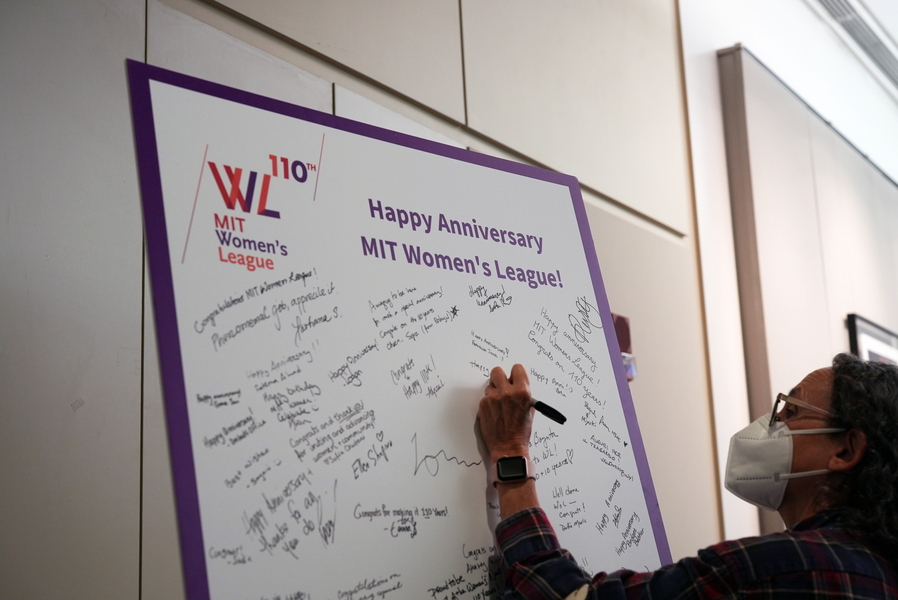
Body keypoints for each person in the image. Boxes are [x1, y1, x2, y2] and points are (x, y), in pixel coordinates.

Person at [476, 353, 898, 598]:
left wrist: (511, 453)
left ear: (845, 449)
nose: (769, 424)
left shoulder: (773, 567)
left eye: (791, 412)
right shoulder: (880, 569)